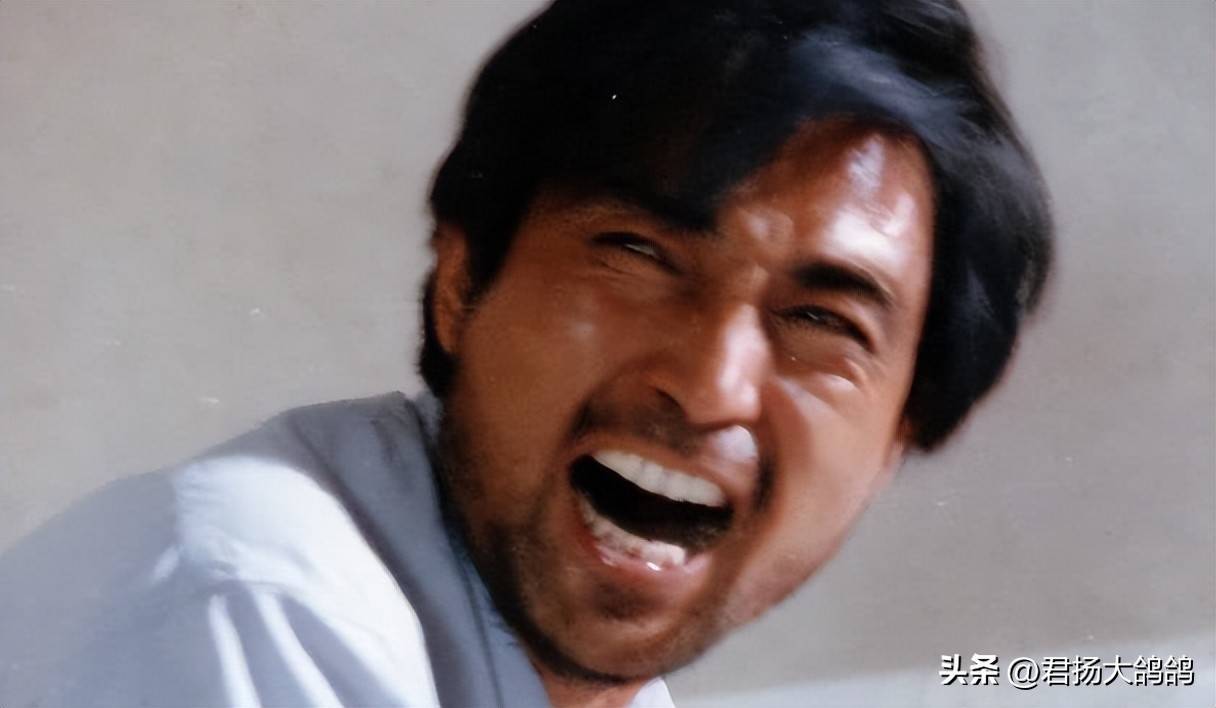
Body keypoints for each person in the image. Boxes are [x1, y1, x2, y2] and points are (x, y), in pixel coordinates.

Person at [0, 1, 1051, 706]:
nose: (708, 387)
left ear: (900, 432)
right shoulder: (252, 612)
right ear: (462, 285)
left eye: (822, 322)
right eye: (639, 255)